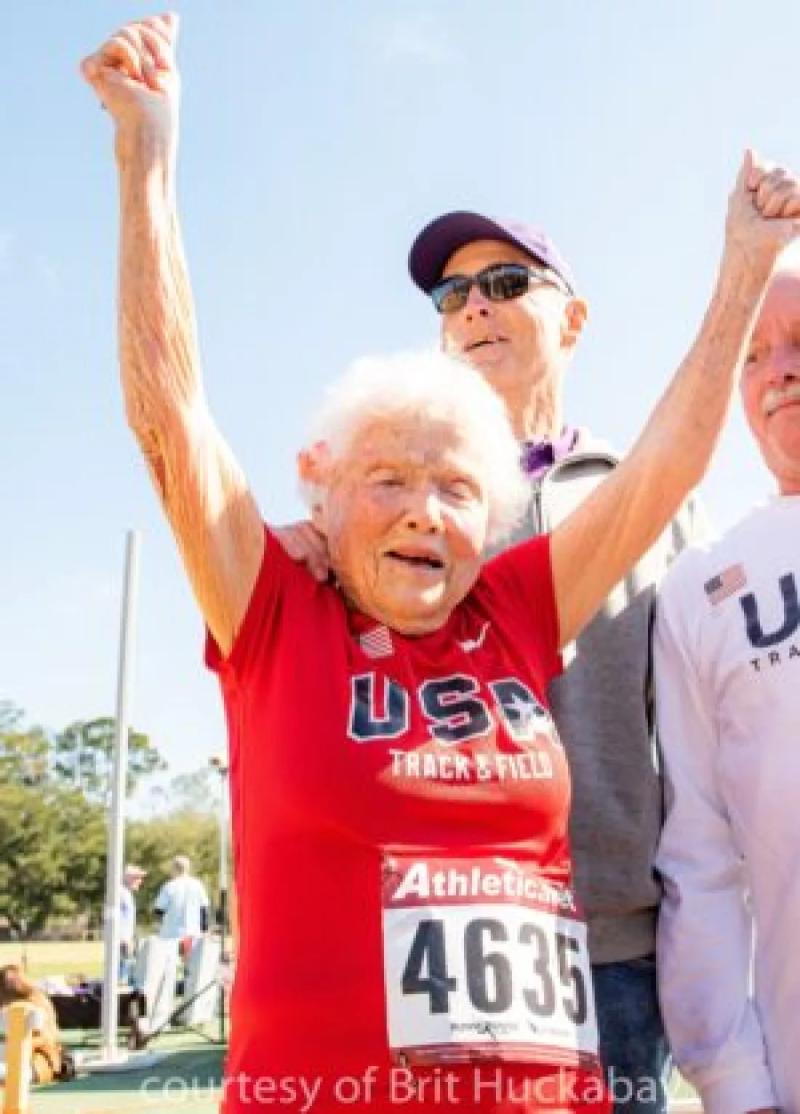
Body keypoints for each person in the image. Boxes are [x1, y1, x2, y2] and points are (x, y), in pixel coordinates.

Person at [80, 12, 800, 1112]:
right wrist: (147, 161)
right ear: (322, 492)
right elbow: (169, 419)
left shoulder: (512, 601)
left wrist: (742, 268)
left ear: (497, 509)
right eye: (387, 480)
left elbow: (660, 464)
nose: (423, 512)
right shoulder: (277, 610)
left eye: (457, 489)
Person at [401, 218, 706, 1112]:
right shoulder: (397, 501)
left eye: (503, 283)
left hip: (610, 944)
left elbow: (691, 728)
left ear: (571, 321)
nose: (475, 309)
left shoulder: (643, 495)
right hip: (440, 932)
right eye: (452, 295)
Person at [654, 254, 800, 1114]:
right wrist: (732, 1084)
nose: (779, 372)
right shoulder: (702, 582)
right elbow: (699, 858)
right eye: (755, 352)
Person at [0, 965, 64, 1085]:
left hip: (39, 1063)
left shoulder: (36, 1004)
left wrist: (13, 1045)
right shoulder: (30, 1000)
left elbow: (46, 1039)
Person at [153, 855, 210, 956]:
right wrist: (204, 930)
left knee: (172, 964)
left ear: (174, 868)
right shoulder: (197, 885)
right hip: (193, 933)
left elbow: (159, 910)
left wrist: (157, 927)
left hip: (171, 933)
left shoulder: (170, 886)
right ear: (188, 868)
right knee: (190, 964)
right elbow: (204, 909)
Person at [120, 862, 146, 981]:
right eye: (137, 878)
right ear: (128, 878)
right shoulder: (121, 893)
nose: (140, 881)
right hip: (122, 941)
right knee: (122, 977)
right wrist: (124, 939)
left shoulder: (126, 894)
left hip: (126, 940)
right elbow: (117, 919)